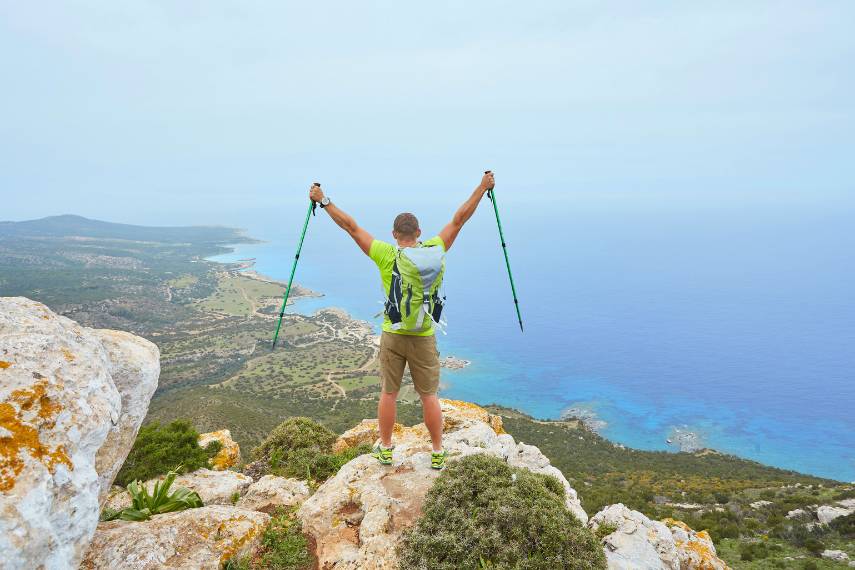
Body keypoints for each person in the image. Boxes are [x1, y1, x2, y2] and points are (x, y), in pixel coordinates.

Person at [308, 171, 495, 469]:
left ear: (395, 234)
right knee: (429, 396)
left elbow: (351, 227)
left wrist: (324, 200)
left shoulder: (385, 254)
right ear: (419, 232)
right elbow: (460, 219)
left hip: (393, 332)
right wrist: (482, 188)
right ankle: (437, 452)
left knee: (389, 393)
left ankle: (385, 448)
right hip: (423, 334)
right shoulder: (435, 249)